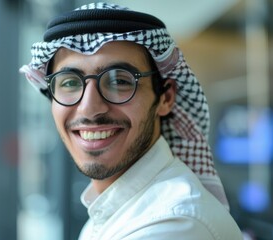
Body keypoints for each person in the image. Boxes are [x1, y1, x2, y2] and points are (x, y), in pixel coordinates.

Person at [20, 2, 243, 239]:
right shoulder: (112, 213)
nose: (89, 108)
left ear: (166, 97)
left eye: (119, 81)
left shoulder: (173, 224)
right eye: (70, 83)